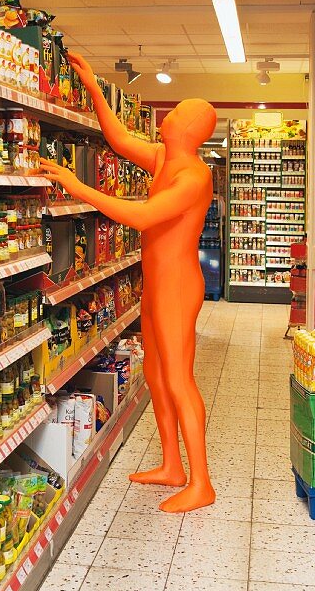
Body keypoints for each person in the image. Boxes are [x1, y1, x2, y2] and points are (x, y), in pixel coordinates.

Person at [38, 52, 217, 513]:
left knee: (179, 379)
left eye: (177, 112)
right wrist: (94, 88)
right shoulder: (162, 158)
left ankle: (202, 482)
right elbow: (117, 140)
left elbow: (141, 216)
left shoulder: (193, 176)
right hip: (157, 284)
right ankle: (172, 466)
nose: (168, 114)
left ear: (188, 128)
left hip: (179, 286)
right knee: (157, 377)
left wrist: (75, 186)